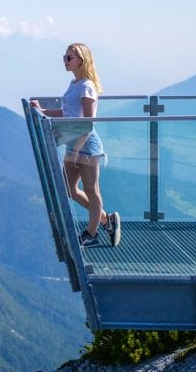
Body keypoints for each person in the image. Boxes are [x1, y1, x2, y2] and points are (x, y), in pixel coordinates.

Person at [30, 43, 121, 248]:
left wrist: (77, 150)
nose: (65, 60)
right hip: (74, 144)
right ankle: (107, 220)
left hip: (86, 146)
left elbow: (88, 123)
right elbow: (67, 114)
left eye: (69, 57)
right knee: (70, 189)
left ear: (81, 59)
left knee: (91, 189)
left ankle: (92, 232)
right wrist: (42, 110)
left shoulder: (87, 86)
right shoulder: (74, 84)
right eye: (65, 57)